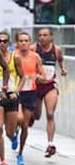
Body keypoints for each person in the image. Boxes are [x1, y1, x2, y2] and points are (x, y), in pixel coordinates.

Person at [31, 27, 67, 157]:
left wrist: (63, 69)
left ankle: (50, 144)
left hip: (50, 85)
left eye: (45, 35)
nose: (42, 38)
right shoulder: (33, 49)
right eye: (40, 35)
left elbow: (61, 60)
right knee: (36, 116)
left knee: (50, 114)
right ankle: (30, 119)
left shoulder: (56, 50)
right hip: (35, 85)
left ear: (51, 37)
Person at [0, 31, 25, 165]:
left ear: (9, 44)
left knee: (9, 132)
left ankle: (14, 135)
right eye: (0, 41)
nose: (2, 44)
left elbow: (23, 77)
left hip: (11, 95)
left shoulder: (14, 57)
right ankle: (3, 160)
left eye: (5, 41)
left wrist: (16, 91)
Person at [15, 32, 47, 165]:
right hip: (16, 92)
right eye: (21, 41)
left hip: (30, 92)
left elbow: (43, 75)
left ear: (30, 42)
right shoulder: (14, 56)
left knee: (25, 125)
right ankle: (13, 134)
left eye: (26, 41)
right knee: (19, 119)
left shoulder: (35, 57)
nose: (23, 43)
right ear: (17, 43)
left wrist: (38, 77)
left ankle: (20, 152)